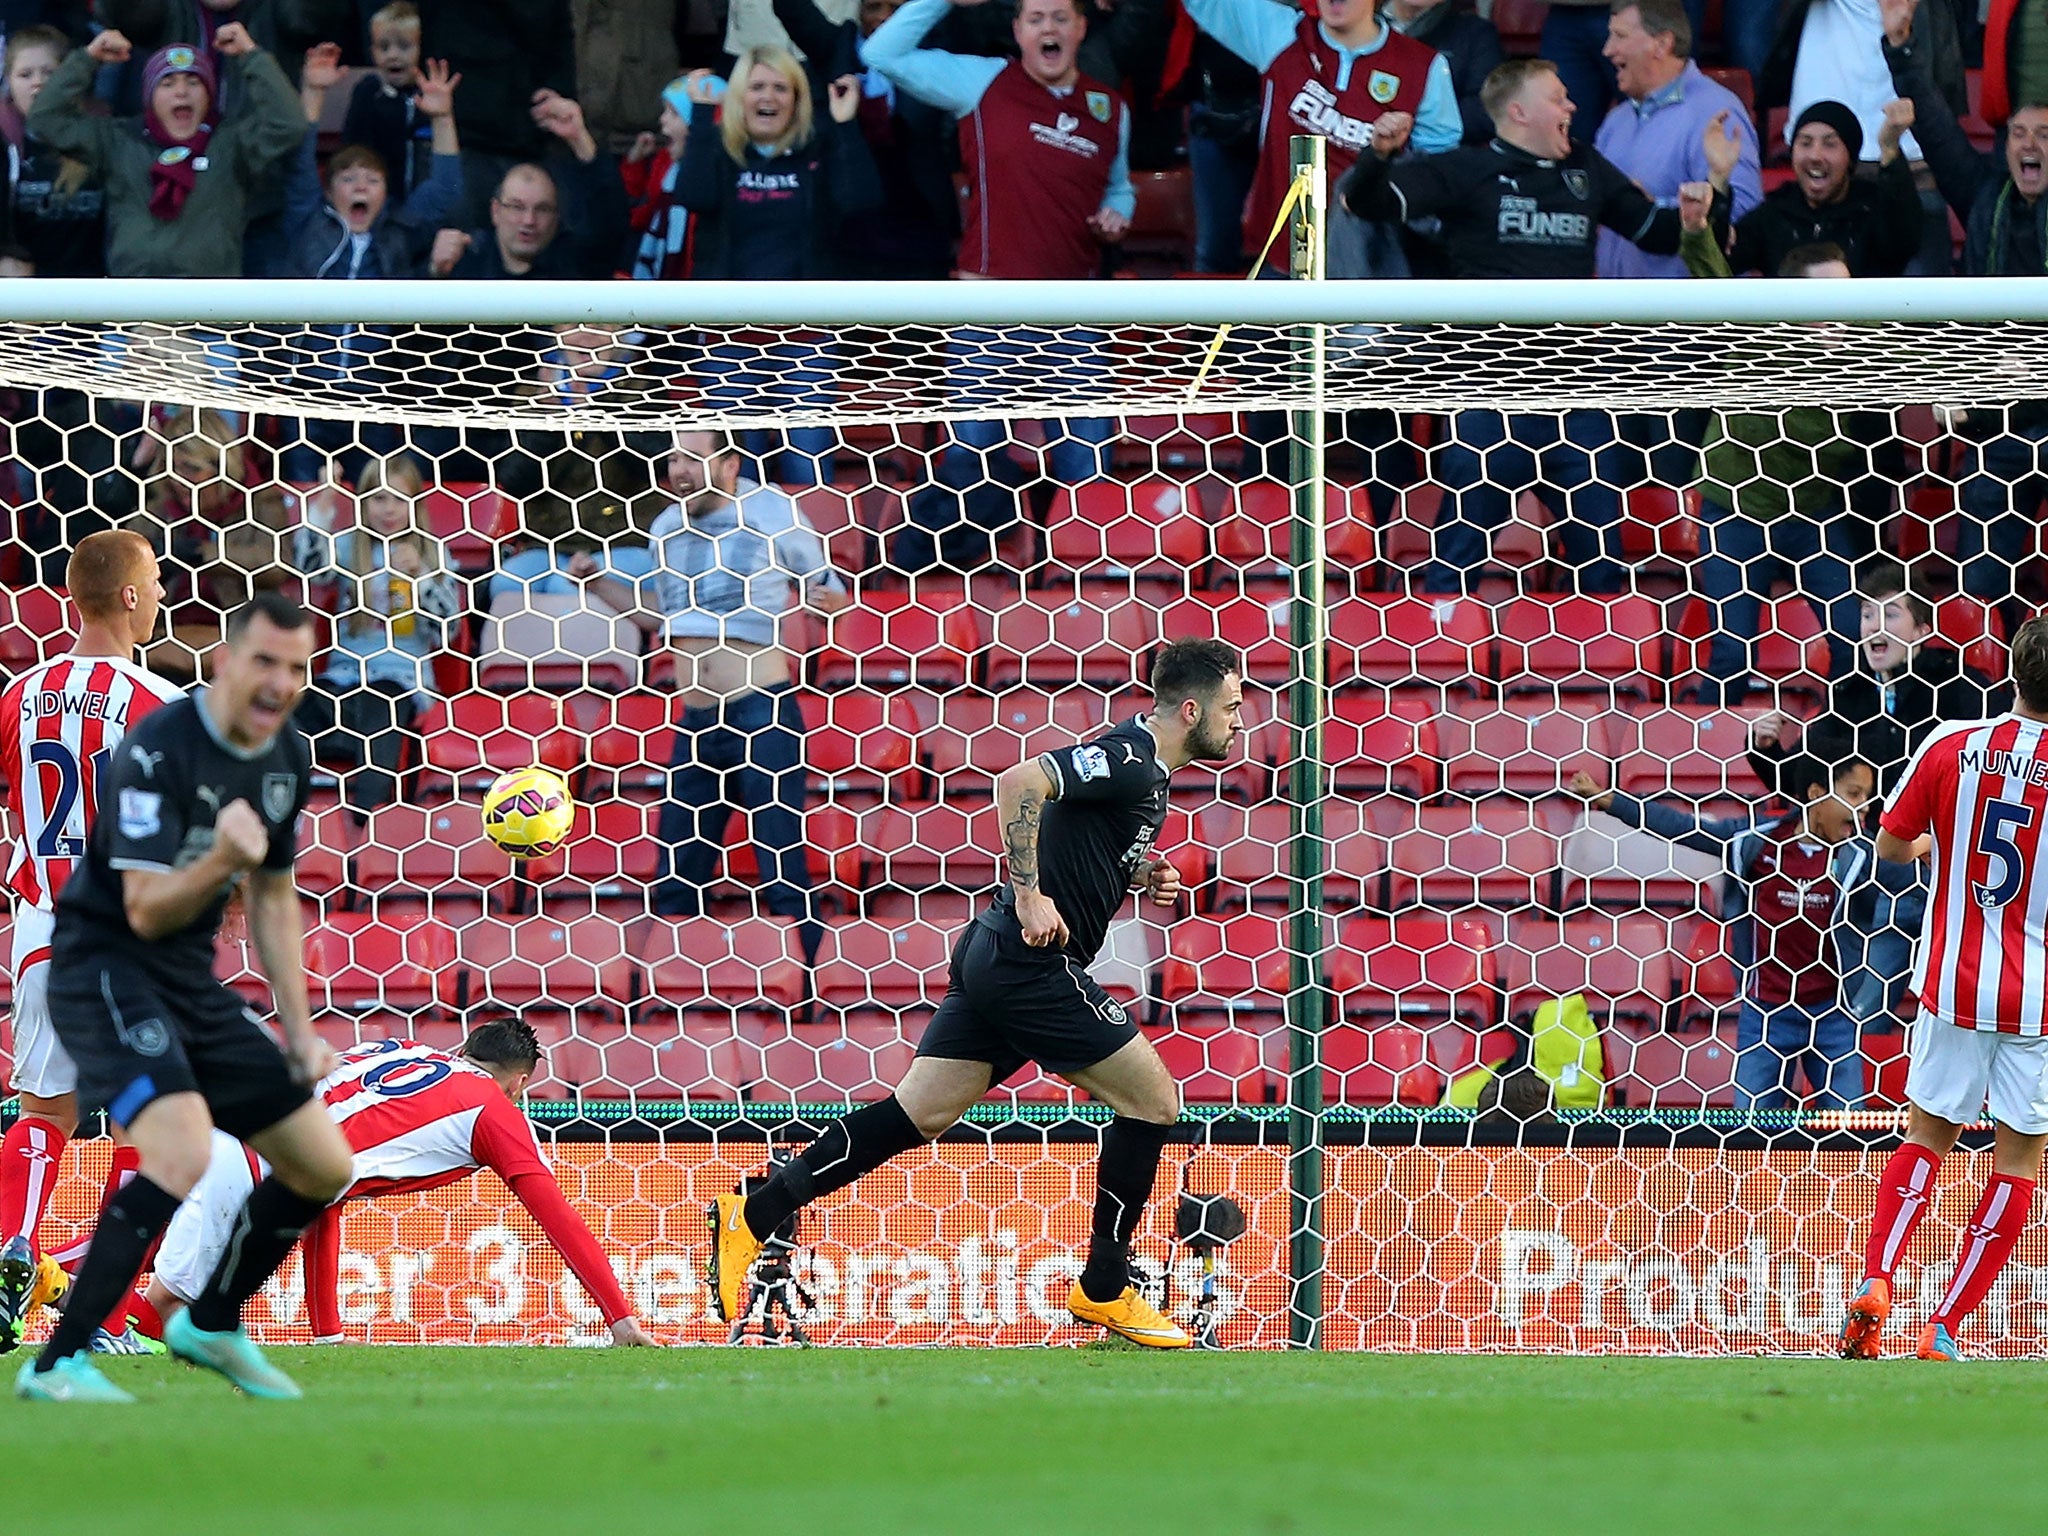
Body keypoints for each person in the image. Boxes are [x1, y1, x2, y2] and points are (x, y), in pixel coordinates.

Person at [708, 638, 1246, 1348]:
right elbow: (1020, 781)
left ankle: (753, 1212)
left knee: (917, 1114)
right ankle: (1105, 1288)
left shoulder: (1143, 775)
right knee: (1154, 1102)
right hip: (1028, 962)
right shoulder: (1129, 759)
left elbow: (1077, 835)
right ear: (1190, 708)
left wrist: (1135, 873)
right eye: (1233, 708)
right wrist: (1029, 897)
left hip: (998, 960)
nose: (1240, 723)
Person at [17, 593, 353, 1404]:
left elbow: (273, 897)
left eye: (298, 669)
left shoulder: (284, 755)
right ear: (226, 660)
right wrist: (218, 862)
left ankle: (210, 1321)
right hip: (102, 970)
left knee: (322, 1163)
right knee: (181, 1153)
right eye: (265, 662)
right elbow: (143, 907)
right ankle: (57, 1365)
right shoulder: (158, 749)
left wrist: (300, 1030)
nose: (280, 683)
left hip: (188, 983)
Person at [1338, 58, 1735, 594]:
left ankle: (1607, 670)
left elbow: (1661, 234)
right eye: (1558, 97)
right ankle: (1441, 659)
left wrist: (1717, 183)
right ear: (1520, 111)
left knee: (1602, 556)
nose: (1572, 106)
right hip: (1488, 395)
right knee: (1458, 554)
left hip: (1576, 395)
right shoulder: (1466, 171)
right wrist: (1378, 155)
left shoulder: (1587, 170)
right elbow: (1368, 202)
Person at [135, 1025, 660, 1347]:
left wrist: (328, 1335)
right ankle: (61, 1293)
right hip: (259, 1164)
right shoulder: (494, 1112)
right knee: (170, 1311)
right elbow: (560, 1220)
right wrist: (619, 1317)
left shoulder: (398, 1048)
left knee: (147, 1286)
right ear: (519, 1082)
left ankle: (78, 1309)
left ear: (464, 1048)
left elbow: (325, 1198)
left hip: (226, 1126)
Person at [1841, 618, 2048, 1362]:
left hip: (1950, 978)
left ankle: (1875, 1281)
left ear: (2013, 673)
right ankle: (1943, 1328)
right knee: (2017, 1162)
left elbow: (1891, 848)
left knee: (1926, 1137)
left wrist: (1937, 844)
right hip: (2041, 1000)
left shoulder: (1953, 742)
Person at [0, 532, 182, 1356]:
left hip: (39, 922)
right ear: (134, 598)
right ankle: (101, 1318)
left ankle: (13, 1244)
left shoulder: (19, 691)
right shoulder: (157, 699)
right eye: (155, 584)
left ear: (74, 596)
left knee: (45, 1112)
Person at [571, 430, 847, 949]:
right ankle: (682, 989)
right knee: (677, 874)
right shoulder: (666, 525)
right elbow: (664, 616)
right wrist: (597, 583)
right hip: (695, 723)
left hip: (760, 712)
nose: (680, 470)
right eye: (673, 458)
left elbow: (828, 586)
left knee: (782, 866)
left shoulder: (772, 511)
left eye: (693, 459)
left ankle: (807, 983)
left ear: (728, 463)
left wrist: (824, 601)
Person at [863, 0, 1133, 495]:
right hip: (989, 313)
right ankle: (972, 574)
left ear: (1080, 29)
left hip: (1075, 312)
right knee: (970, 475)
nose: (1048, 28)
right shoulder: (981, 81)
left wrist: (1121, 213)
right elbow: (881, 53)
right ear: (1017, 31)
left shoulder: (1109, 107)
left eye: (1059, 17)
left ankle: (1079, 573)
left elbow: (1118, 188)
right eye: (1036, 18)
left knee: (1090, 478)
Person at [1747, 561, 2009, 1025]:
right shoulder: (1849, 694)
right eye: (1868, 614)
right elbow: (1810, 791)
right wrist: (1765, 752)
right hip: (1875, 874)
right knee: (1861, 1010)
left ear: (1923, 629)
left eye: (1890, 615)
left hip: (1948, 871)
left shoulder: (1962, 690)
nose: (1874, 626)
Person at [1571, 753, 1885, 1111]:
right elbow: (1684, 827)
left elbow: (1911, 872)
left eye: (1867, 795)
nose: (1865, 806)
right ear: (1816, 793)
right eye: (1855, 793)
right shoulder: (1755, 841)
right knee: (1751, 1137)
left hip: (1832, 1015)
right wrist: (1611, 802)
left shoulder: (1863, 856)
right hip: (1767, 1013)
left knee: (1847, 1135)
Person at [1884, 0, 2048, 641]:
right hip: (1998, 422)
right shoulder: (1984, 195)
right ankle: (1997, 693)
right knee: (1980, 585)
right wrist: (1900, 51)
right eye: (2018, 135)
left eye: (2043, 136)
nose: (2028, 145)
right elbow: (1937, 130)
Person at [1677, 227, 1870, 700]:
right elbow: (1713, 283)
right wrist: (1698, 234)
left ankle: (1850, 746)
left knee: (1855, 641)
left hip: (1812, 513)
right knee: (1733, 653)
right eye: (1825, 297)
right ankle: (1713, 761)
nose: (1838, 313)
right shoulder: (1753, 338)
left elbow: (1925, 346)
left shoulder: (1861, 352)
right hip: (1736, 512)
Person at [676, 52, 881, 486]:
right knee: (736, 471)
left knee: (807, 463)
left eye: (780, 88)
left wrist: (845, 125)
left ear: (796, 99)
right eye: (757, 87)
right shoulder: (720, 150)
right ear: (739, 98)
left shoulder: (819, 149)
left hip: (806, 340)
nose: (768, 97)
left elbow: (861, 199)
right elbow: (693, 195)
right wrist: (699, 117)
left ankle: (810, 554)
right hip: (729, 340)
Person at [1183, 0, 1458, 280]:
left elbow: (1438, 174)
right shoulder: (1283, 34)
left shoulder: (1424, 66)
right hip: (1280, 261)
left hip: (1367, 271)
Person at [26, 26, 303, 277]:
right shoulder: (118, 139)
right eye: (167, 83)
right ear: (149, 97)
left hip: (209, 317)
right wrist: (88, 58)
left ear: (209, 95)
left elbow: (289, 124)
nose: (181, 92)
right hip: (132, 314)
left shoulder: (232, 143)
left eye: (194, 82)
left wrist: (250, 55)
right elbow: (46, 120)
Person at [292, 451, 461, 815]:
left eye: (399, 499)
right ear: (363, 503)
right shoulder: (351, 547)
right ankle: (291, 807)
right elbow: (311, 571)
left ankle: (369, 814)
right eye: (378, 498)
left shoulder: (433, 554)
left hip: (401, 679)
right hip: (344, 675)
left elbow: (449, 631)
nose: (388, 510)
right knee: (305, 704)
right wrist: (324, 501)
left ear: (415, 505)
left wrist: (423, 579)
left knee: (379, 703)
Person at [772, 0, 959, 279]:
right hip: (848, 223)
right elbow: (792, 9)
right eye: (874, 7)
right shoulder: (836, 47)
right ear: (859, 10)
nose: (884, 17)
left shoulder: (934, 51)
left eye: (896, 9)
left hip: (921, 219)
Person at [1594, 0, 1761, 281]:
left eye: (1620, 36)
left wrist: (1648, 212)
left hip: (1686, 318)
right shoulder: (1616, 121)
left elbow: (1744, 213)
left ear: (1662, 44)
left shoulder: (1717, 111)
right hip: (1614, 316)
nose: (1607, 50)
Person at [1703, 98, 1923, 278]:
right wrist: (1719, 178)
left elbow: (1904, 241)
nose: (1815, 156)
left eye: (1829, 144)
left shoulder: (1872, 208)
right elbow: (1718, 261)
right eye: (1805, 143)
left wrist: (1890, 148)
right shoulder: (1775, 212)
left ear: (1851, 159)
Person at [429, 91, 628, 281]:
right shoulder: (465, 263)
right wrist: (435, 273)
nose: (529, 220)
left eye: (542, 209)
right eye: (517, 206)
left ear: (557, 217)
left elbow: (609, 217)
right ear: (495, 211)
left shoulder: (574, 265)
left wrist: (578, 137)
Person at [1, 25, 105, 276]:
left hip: (97, 291)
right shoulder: (4, 145)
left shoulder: (101, 134)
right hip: (23, 292)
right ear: (8, 84)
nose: (37, 83)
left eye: (49, 72)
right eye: (25, 75)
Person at [340, 2, 435, 206]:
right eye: (383, 47)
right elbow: (353, 149)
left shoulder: (433, 94)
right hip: (380, 207)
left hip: (423, 205)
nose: (393, 55)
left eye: (404, 46)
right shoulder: (368, 93)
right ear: (372, 51)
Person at [1384, 0, 1502, 147]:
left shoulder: (1476, 33)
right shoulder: (1356, 24)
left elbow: (1486, 107)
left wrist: (1414, 123)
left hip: (1436, 156)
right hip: (1357, 143)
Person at [623, 75, 692, 282]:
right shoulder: (665, 162)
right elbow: (638, 216)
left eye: (673, 112)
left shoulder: (718, 174)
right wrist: (635, 164)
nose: (662, 119)